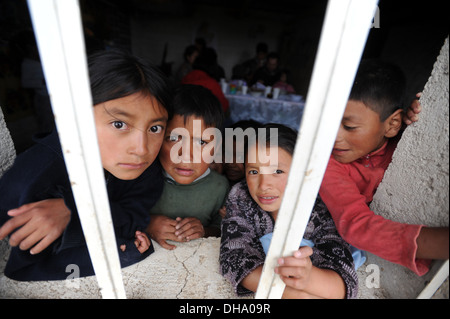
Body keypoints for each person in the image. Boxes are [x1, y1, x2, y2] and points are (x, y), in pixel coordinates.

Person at [0, 49, 173, 281]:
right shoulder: (34, 182)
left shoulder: (143, 168)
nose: (141, 149)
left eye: (154, 128)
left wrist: (77, 211)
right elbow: (22, 269)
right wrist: (118, 253)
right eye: (119, 124)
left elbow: (136, 217)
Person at [319, 59, 449, 276]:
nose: (333, 137)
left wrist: (416, 126)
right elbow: (355, 224)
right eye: (326, 123)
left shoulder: (404, 144)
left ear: (392, 124)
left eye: (349, 126)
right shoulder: (327, 162)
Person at [220, 123, 358, 299]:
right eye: (254, 171)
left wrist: (309, 278)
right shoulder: (241, 195)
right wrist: (295, 295)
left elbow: (343, 284)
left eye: (277, 171)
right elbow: (234, 258)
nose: (263, 185)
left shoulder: (321, 204)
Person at [145, 84, 229, 250]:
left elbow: (224, 230)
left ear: (216, 148)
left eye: (201, 142)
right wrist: (147, 223)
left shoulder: (220, 187)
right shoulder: (141, 178)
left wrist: (203, 231)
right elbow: (114, 216)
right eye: (174, 139)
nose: (186, 154)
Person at [181, 48, 229, 114]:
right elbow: (223, 107)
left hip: (184, 119)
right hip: (201, 121)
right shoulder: (211, 83)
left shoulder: (185, 78)